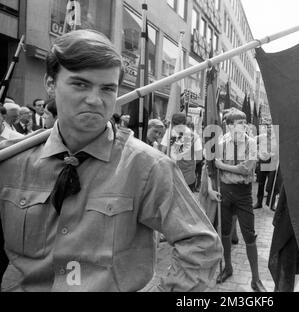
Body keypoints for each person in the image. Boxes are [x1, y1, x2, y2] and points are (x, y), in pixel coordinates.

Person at [0, 29, 221, 292]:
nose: (95, 100)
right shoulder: (10, 162)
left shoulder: (147, 167)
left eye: (107, 89)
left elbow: (202, 245)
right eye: (80, 84)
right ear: (50, 83)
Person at [214, 108, 267, 292]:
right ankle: (228, 268)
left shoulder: (251, 142)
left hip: (244, 193)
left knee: (249, 235)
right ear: (229, 126)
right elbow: (212, 167)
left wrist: (223, 165)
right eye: (239, 123)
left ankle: (256, 280)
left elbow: (247, 168)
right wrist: (215, 183)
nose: (244, 126)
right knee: (226, 233)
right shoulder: (220, 142)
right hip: (225, 192)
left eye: (245, 123)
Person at [161, 113, 203, 192]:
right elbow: (163, 151)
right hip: (174, 175)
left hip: (184, 177)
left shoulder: (194, 137)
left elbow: (199, 157)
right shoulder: (169, 133)